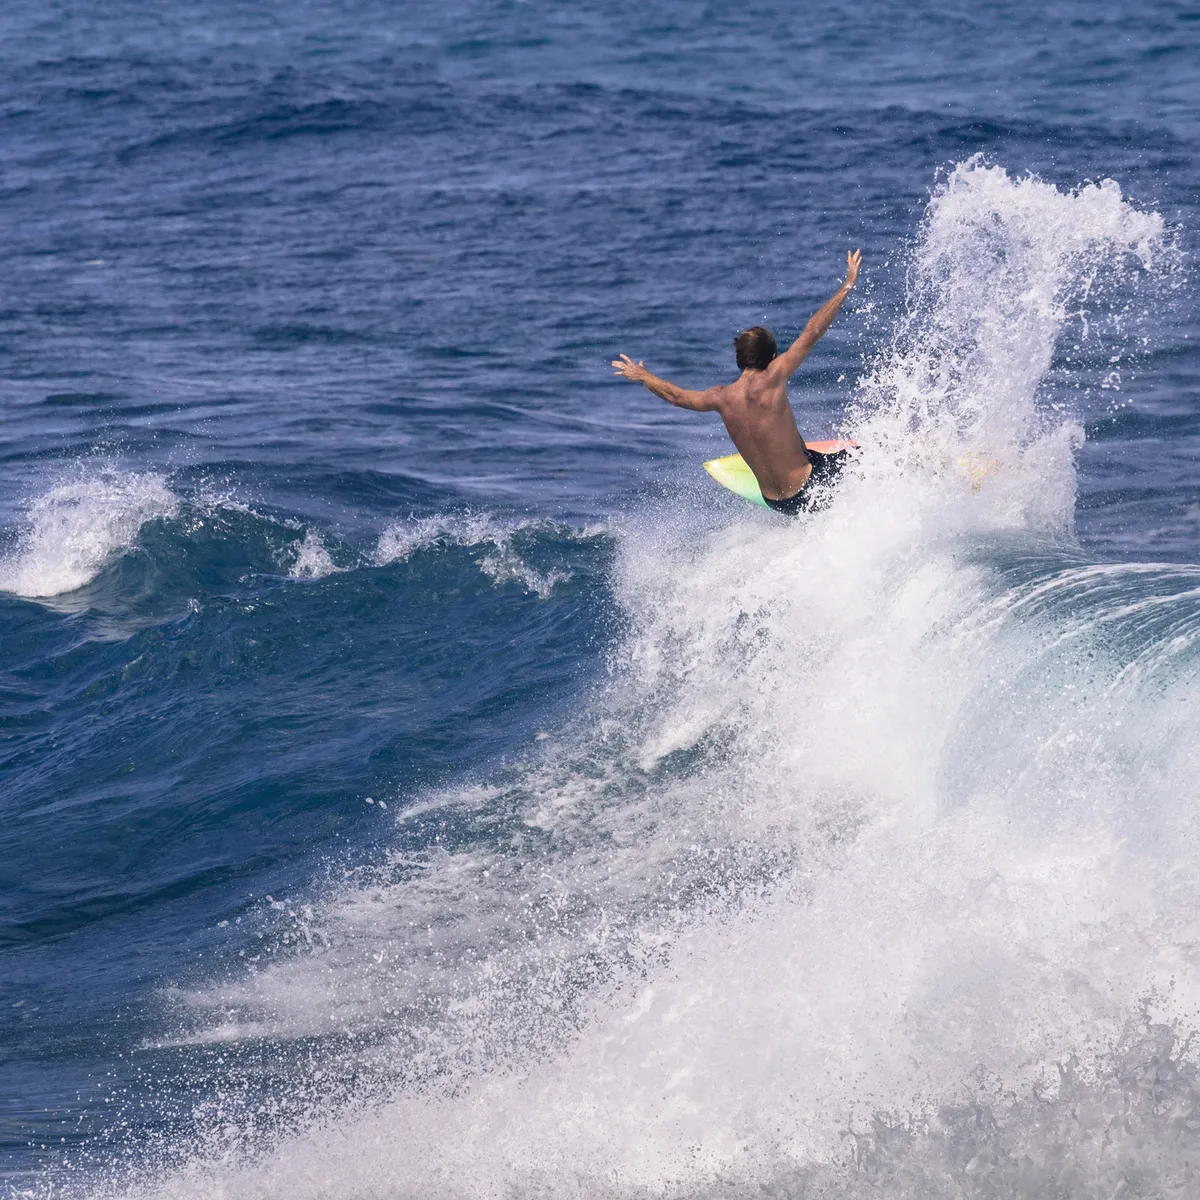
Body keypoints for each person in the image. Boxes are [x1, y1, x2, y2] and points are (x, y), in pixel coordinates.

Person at [612, 250, 862, 514]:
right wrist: (847, 285)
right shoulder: (773, 376)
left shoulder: (720, 397)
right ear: (772, 357)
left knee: (808, 453)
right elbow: (812, 331)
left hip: (777, 502)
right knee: (868, 458)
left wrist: (643, 376)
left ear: (739, 360)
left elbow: (676, 397)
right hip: (808, 487)